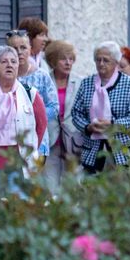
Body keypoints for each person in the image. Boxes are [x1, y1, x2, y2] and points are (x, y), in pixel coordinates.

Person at [0, 45, 48, 190]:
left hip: (19, 166)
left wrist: (30, 146)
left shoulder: (31, 94)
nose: (10, 65)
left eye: (14, 61)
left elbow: (41, 126)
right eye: (4, 62)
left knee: (18, 210)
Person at [71, 42, 130, 173]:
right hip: (92, 152)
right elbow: (76, 113)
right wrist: (88, 127)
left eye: (106, 60)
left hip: (122, 153)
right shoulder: (86, 84)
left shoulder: (129, 84)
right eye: (98, 59)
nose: (101, 63)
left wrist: (112, 125)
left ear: (116, 62)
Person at [10, 29, 57, 157]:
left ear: (30, 49)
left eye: (23, 47)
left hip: (37, 142)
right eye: (14, 48)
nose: (19, 52)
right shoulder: (3, 76)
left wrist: (32, 115)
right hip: (9, 144)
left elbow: (54, 107)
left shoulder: (42, 75)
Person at [44, 40, 80, 187]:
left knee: (71, 188)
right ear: (53, 60)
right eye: (63, 58)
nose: (68, 63)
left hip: (72, 141)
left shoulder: (80, 82)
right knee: (49, 188)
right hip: (50, 140)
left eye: (71, 59)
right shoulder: (44, 81)